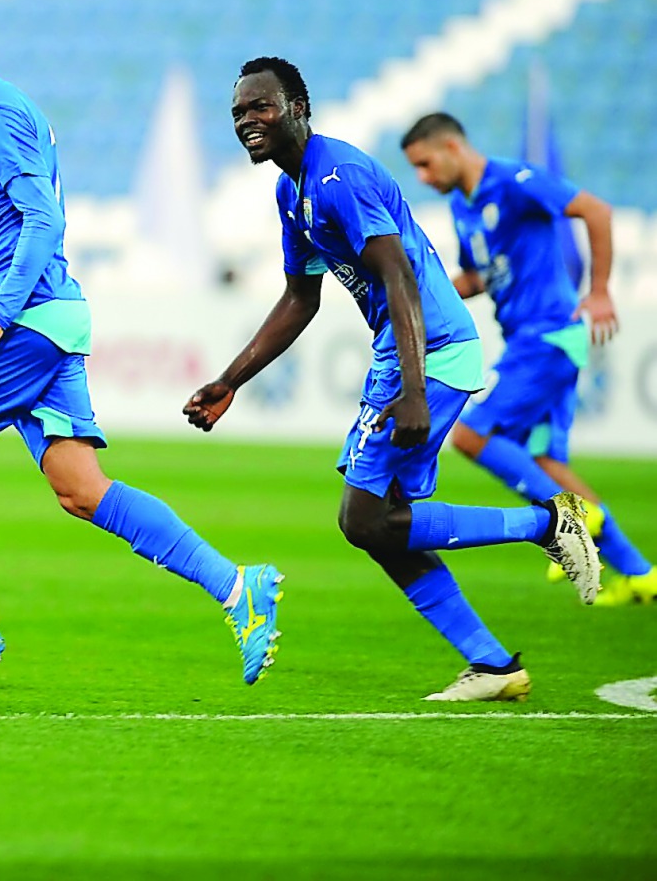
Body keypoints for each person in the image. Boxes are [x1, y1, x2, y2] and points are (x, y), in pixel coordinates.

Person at [0, 0, 283, 691]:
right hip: (45, 315)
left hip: (30, 323)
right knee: (81, 490)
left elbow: (43, 223)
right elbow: (14, 238)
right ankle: (236, 586)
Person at [184, 57, 600, 703]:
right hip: (408, 354)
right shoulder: (292, 191)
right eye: (238, 112)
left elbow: (398, 274)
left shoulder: (339, 177)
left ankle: (546, 524)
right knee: (382, 527)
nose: (246, 121)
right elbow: (300, 299)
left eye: (260, 106)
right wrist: (231, 380)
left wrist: (413, 388)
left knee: (363, 519)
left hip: (430, 353)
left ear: (298, 109)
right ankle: (492, 664)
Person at [401, 113, 655, 606]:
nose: (423, 177)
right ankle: (640, 573)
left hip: (548, 337)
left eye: (425, 164)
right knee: (544, 461)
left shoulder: (513, 181)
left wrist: (600, 290)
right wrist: (422, 300)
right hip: (531, 340)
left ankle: (570, 517)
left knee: (470, 434)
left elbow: (596, 210)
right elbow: (478, 277)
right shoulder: (462, 207)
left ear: (452, 147)